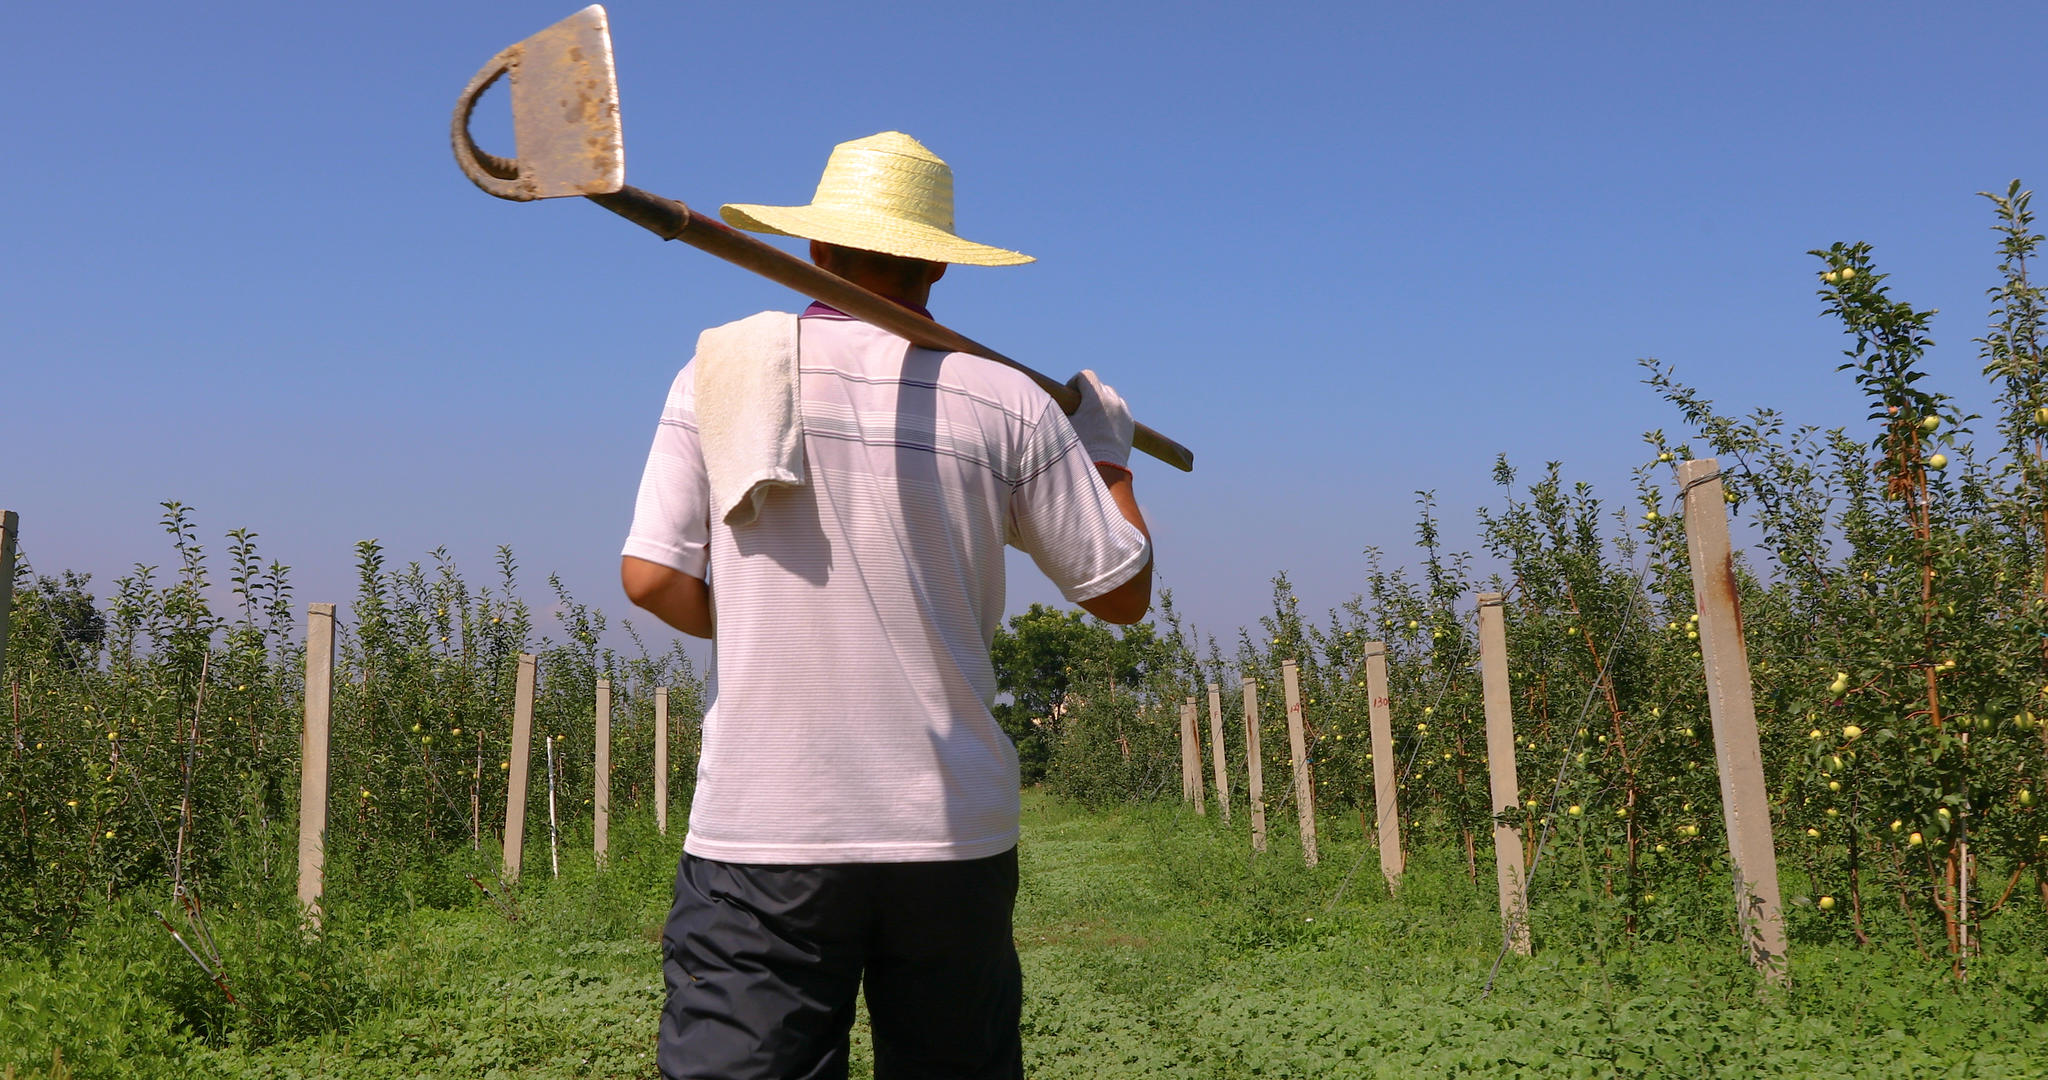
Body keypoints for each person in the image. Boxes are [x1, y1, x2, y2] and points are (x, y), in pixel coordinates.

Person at [619, 131, 1153, 1080]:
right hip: (949, 834)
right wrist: (1104, 454)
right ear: (942, 260)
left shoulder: (718, 370)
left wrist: (766, 622)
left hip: (764, 830)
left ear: (816, 249)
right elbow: (1120, 593)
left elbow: (654, 576)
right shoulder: (1005, 402)